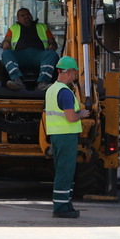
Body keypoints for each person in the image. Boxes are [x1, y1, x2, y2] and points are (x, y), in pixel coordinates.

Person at [44, 56, 88, 218]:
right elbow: (71, 117)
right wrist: (82, 113)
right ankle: (61, 208)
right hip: (66, 136)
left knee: (63, 170)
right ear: (68, 73)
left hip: (56, 135)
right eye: (75, 73)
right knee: (66, 171)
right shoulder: (65, 93)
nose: (76, 76)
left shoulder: (51, 89)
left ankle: (65, 204)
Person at [1, 7, 59, 92]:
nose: (26, 16)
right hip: (20, 56)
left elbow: (53, 43)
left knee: (53, 55)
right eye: (22, 15)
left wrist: (52, 45)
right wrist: (5, 43)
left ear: (31, 16)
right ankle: (17, 82)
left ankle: (43, 83)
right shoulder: (13, 28)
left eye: (28, 14)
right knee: (5, 54)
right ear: (18, 18)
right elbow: (6, 41)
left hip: (40, 56)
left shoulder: (43, 27)